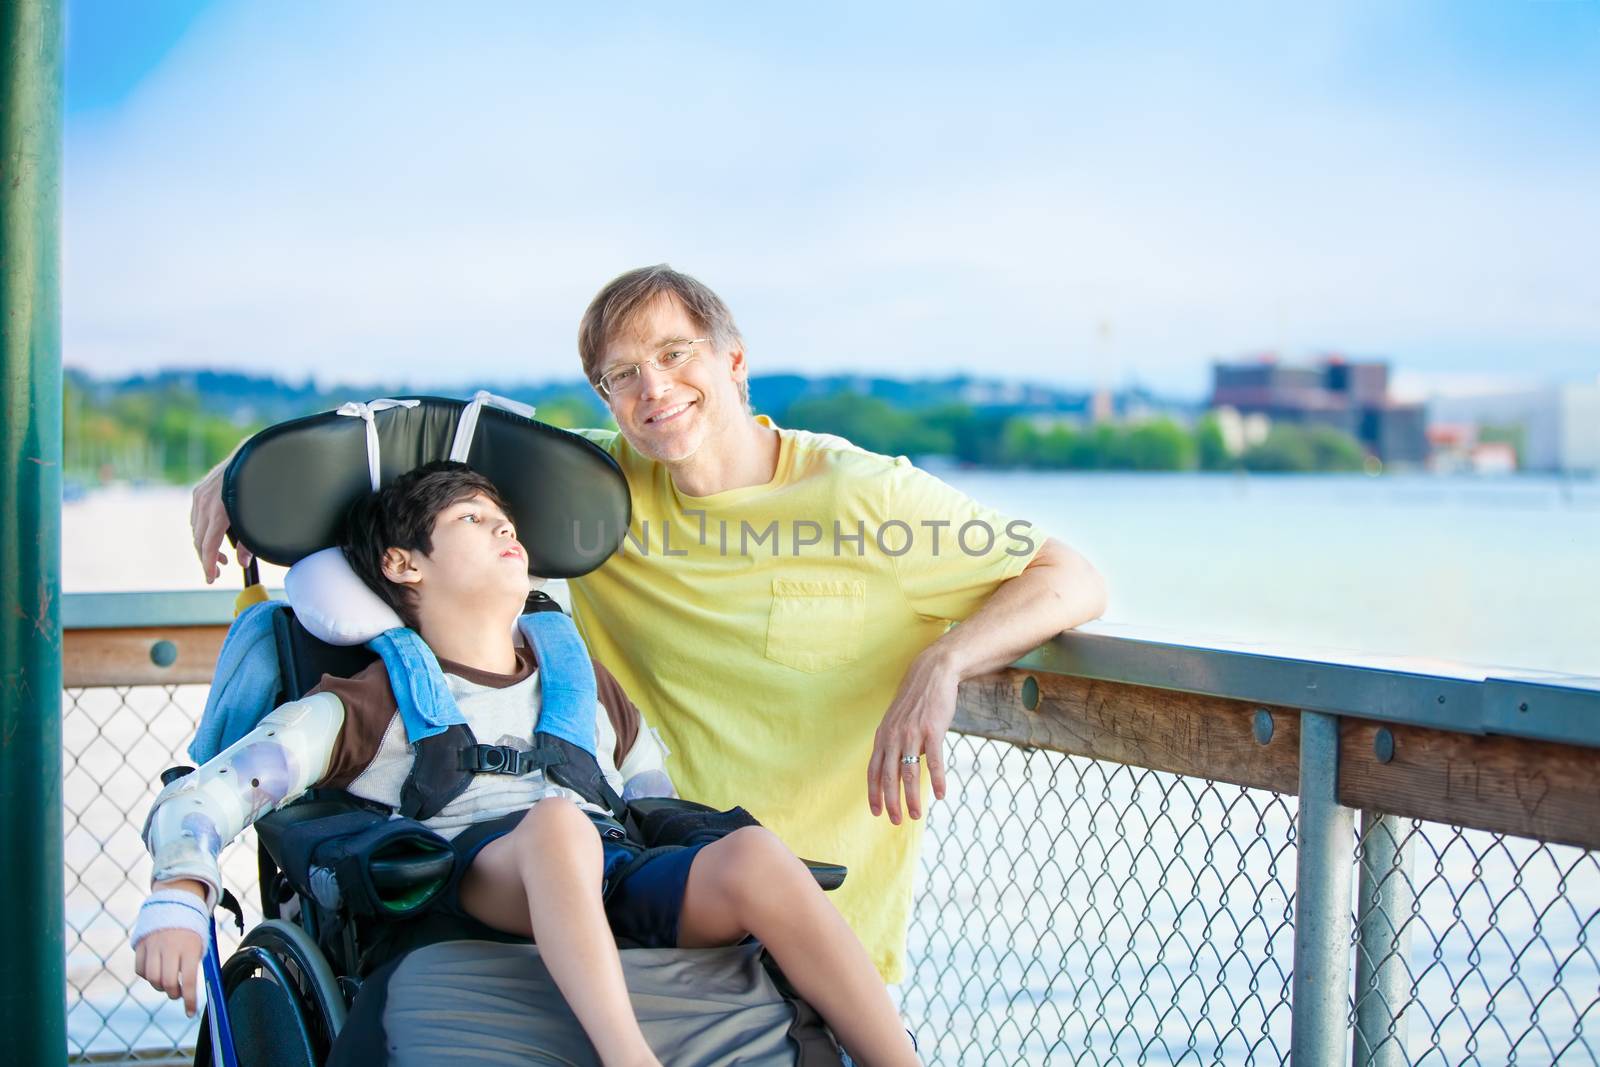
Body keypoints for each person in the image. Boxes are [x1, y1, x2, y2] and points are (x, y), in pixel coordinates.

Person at [191, 266, 1107, 981]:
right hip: (640, 906)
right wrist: (243, 469)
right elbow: (417, 453)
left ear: (733, 361)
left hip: (817, 917)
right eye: (621, 376)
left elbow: (1070, 576)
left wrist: (943, 661)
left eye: (675, 355)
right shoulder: (598, 493)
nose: (653, 389)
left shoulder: (865, 495)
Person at [143, 462, 921, 1067]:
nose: (504, 528)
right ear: (404, 563)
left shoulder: (582, 688)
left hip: (609, 870)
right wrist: (180, 892)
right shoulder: (367, 701)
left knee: (751, 853)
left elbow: (651, 799)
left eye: (507, 518)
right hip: (462, 880)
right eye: (473, 519)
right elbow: (205, 796)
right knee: (557, 827)